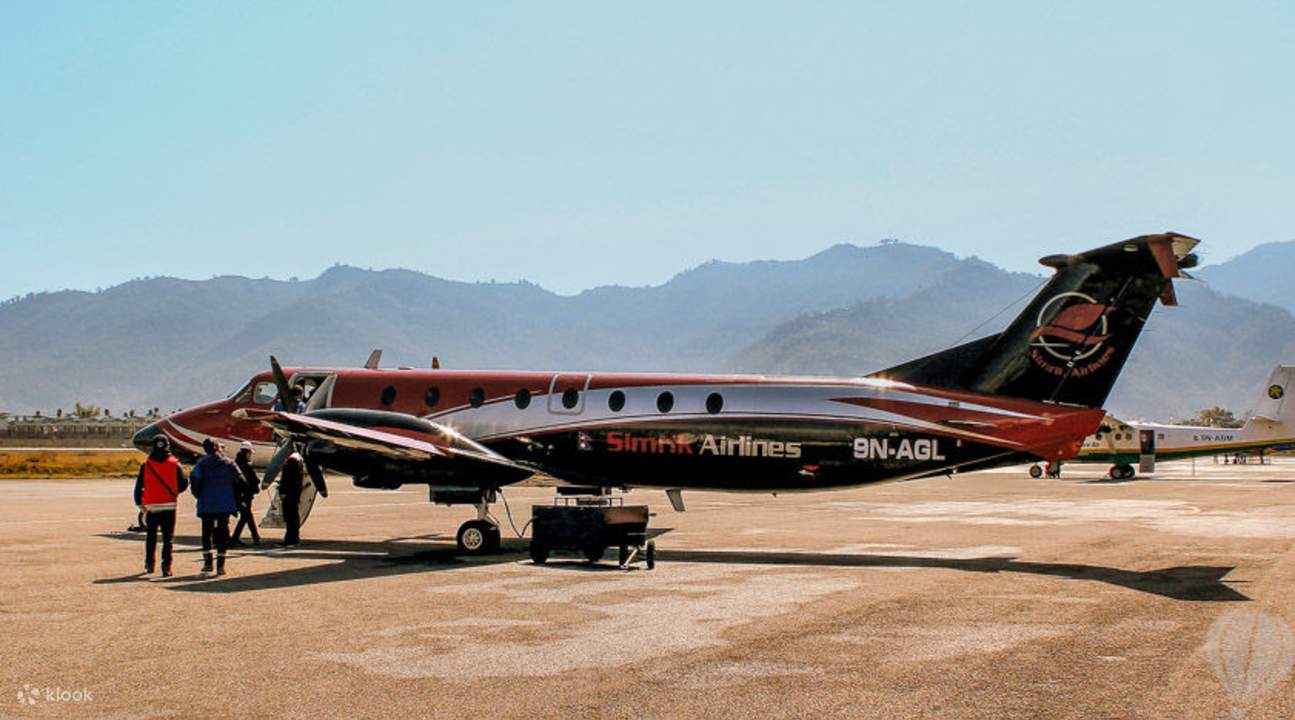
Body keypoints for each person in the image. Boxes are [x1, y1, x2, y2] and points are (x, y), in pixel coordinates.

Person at [133, 435, 188, 577]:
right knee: (168, 539)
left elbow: (139, 486)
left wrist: (139, 502)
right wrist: (173, 492)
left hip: (151, 506)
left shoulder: (146, 465)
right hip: (169, 505)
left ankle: (149, 564)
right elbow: (184, 483)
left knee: (151, 537)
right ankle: (166, 567)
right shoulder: (175, 464)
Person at [190, 438, 240, 575]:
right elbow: (240, 479)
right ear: (218, 448)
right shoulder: (229, 463)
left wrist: (198, 494)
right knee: (223, 533)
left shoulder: (201, 464)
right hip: (225, 503)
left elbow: (194, 479)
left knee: (207, 533)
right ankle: (221, 565)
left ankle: (208, 563)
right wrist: (236, 497)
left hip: (207, 503)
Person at [269, 445, 305, 546]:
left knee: (290, 518)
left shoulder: (291, 461)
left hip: (289, 495)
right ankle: (293, 538)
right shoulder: (298, 460)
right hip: (294, 494)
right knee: (293, 517)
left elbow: (288, 479)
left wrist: (282, 490)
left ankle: (290, 539)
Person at [230, 441, 261, 546]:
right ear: (247, 453)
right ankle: (236, 538)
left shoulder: (235, 463)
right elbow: (255, 480)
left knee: (247, 515)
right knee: (246, 516)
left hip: (236, 494)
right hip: (245, 495)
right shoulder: (247, 465)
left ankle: (254, 537)